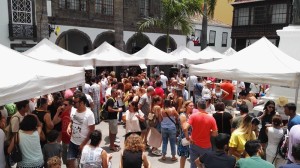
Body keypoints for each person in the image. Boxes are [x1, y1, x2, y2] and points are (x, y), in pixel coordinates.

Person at [183, 98, 218, 168]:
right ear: (205, 106)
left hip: (194, 143)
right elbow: (215, 134)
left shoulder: (193, 116)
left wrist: (187, 137)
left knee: (193, 163)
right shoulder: (211, 118)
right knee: (205, 164)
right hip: (206, 145)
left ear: (198, 106)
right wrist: (208, 132)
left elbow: (185, 128)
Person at [67, 92, 95, 168]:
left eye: (75, 102)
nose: (73, 104)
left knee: (84, 166)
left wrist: (83, 144)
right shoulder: (73, 110)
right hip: (72, 143)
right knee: (70, 164)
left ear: (82, 102)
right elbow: (71, 121)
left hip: (85, 145)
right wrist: (69, 127)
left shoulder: (89, 114)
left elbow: (92, 131)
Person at [52, 97, 72, 166]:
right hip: (64, 141)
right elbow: (54, 122)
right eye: (63, 104)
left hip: (71, 141)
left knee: (72, 162)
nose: (63, 106)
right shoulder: (64, 113)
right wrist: (57, 112)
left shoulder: (73, 114)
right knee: (66, 162)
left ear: (71, 105)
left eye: (65, 105)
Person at [178, 100, 193, 168]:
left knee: (188, 154)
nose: (192, 107)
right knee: (184, 155)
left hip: (190, 136)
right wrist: (187, 137)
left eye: (193, 105)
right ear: (186, 106)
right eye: (190, 106)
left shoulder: (190, 114)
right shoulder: (183, 115)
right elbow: (184, 128)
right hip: (185, 136)